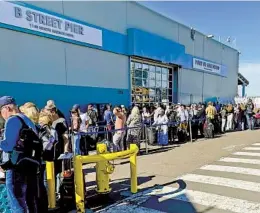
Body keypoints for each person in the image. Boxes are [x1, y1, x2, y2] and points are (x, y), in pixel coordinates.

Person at [0, 96, 47, 213]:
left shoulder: (12, 120)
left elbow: (9, 145)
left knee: (16, 201)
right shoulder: (27, 120)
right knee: (27, 200)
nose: (1, 114)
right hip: (30, 165)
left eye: (1, 110)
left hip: (16, 166)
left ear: (7, 108)